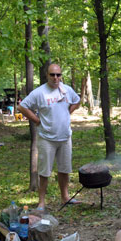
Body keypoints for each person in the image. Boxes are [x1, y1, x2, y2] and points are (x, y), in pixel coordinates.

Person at [18, 63, 81, 210]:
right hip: (47, 138)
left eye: (58, 74)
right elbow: (22, 107)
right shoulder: (40, 92)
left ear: (61, 75)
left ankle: (65, 197)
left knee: (64, 169)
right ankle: (41, 202)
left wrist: (67, 113)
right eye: (52, 75)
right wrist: (37, 120)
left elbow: (77, 101)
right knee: (44, 172)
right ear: (47, 75)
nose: (55, 78)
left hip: (65, 137)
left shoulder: (67, 90)